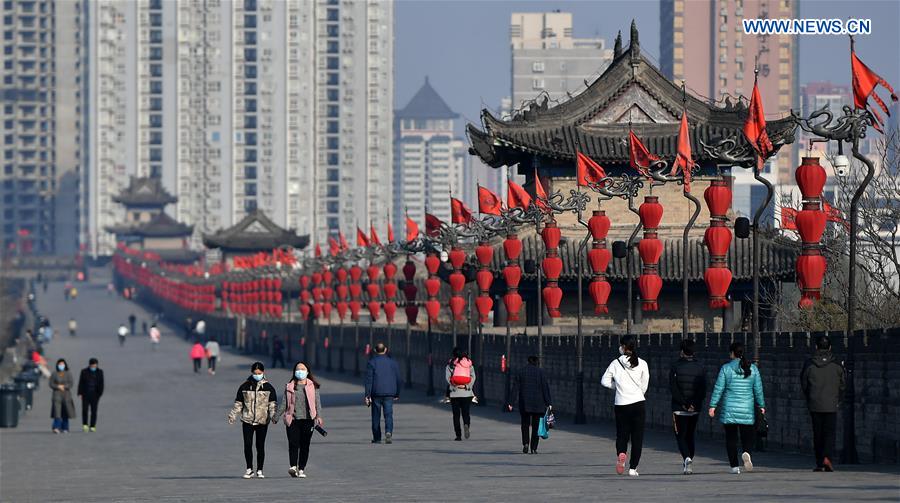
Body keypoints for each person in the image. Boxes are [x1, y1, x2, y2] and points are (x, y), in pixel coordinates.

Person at [709, 342, 766, 474]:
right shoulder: (753, 369)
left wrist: (713, 406)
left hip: (730, 409)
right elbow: (758, 390)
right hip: (747, 409)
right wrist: (761, 405)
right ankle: (746, 452)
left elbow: (719, 388)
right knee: (748, 436)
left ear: (732, 354)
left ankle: (734, 467)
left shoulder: (726, 368)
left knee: (731, 439)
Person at [601, 335, 650, 477]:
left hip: (621, 404)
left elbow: (604, 381)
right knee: (637, 437)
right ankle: (633, 468)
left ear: (623, 347)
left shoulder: (615, 363)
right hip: (638, 403)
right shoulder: (642, 363)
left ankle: (621, 453)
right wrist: (637, 394)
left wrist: (617, 386)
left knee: (622, 434)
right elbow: (644, 385)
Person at [801, 335, 845, 472]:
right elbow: (843, 384)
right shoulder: (837, 364)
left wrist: (809, 397)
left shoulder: (809, 364)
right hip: (831, 403)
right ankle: (828, 457)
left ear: (816, 347)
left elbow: (804, 383)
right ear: (830, 347)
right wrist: (838, 399)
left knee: (818, 433)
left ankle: (820, 462)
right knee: (830, 434)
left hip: (815, 403)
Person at [227, 362, 278, 479]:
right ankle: (249, 468)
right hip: (247, 419)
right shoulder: (244, 386)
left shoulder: (269, 387)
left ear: (263, 373)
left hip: (262, 420)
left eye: (259, 373)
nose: (257, 375)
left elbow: (272, 404)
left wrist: (274, 416)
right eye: (255, 373)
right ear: (251, 373)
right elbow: (238, 403)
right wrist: (233, 415)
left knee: (260, 445)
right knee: (247, 444)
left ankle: (260, 469)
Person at [276, 362, 324, 478]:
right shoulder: (290, 386)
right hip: (293, 419)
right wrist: (276, 416)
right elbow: (284, 403)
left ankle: (301, 468)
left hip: (308, 420)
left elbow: (317, 403)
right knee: (293, 443)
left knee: (304, 445)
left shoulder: (313, 386)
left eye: (303, 369)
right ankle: (293, 466)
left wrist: (319, 416)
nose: (300, 372)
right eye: (298, 369)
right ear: (294, 372)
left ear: (307, 371)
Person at [670, 339, 707, 475]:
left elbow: (673, 388)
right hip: (694, 408)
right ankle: (689, 460)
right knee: (690, 436)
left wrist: (684, 403)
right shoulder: (700, 367)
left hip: (679, 408)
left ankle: (686, 458)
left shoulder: (675, 367)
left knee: (681, 436)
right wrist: (694, 403)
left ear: (682, 351)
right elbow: (702, 389)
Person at [507, 355, 552, 454]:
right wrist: (548, 403)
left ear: (528, 361)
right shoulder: (541, 373)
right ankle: (534, 447)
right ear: (537, 362)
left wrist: (511, 402)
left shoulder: (521, 372)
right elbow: (545, 389)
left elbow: (515, 388)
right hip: (538, 403)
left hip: (525, 402)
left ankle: (526, 443)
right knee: (536, 426)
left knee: (525, 424)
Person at [364, 342, 402, 444]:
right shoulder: (393, 363)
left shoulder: (371, 362)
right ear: (385, 350)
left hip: (376, 393)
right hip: (389, 393)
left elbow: (369, 380)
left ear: (375, 351)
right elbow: (398, 379)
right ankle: (388, 432)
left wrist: (367, 395)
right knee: (388, 415)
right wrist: (397, 393)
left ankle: (377, 437)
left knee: (376, 416)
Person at [445, 347, 476, 441]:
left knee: (456, 415)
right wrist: (467, 386)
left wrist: (454, 386)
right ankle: (466, 424)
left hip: (455, 394)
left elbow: (448, 378)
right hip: (467, 394)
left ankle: (458, 435)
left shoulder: (451, 364)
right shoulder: (469, 364)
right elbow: (473, 377)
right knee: (466, 413)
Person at [77, 358, 104, 432]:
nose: (94, 367)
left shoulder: (100, 372)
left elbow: (101, 383)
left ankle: (92, 426)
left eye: (95, 365)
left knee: (94, 411)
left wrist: (99, 393)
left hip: (95, 395)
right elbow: (81, 382)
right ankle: (85, 425)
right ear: (89, 365)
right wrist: (79, 393)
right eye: (92, 365)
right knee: (85, 410)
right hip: (85, 394)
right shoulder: (84, 372)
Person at [50, 359, 76, 433]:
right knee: (57, 412)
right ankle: (56, 427)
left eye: (62, 364)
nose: (61, 366)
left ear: (65, 365)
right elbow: (51, 384)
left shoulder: (68, 373)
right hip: (56, 395)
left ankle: (65, 428)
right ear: (57, 365)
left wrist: (64, 386)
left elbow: (71, 383)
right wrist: (58, 386)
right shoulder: (54, 373)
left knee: (65, 412)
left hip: (66, 395)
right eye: (60, 364)